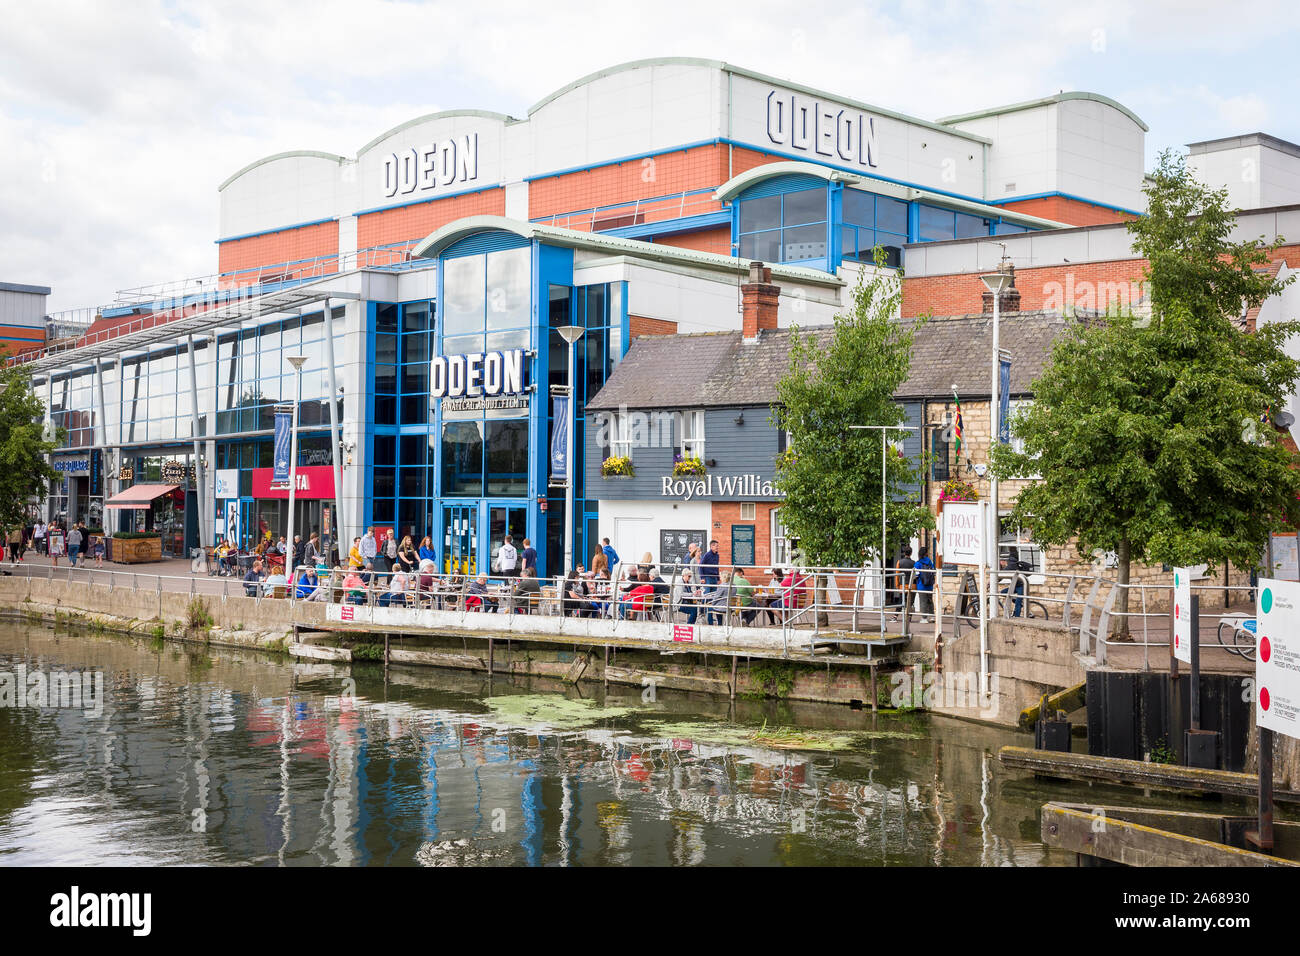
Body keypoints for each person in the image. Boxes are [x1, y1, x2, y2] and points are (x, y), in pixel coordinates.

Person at [914, 547, 936, 622]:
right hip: (929, 585)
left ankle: (924, 618)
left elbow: (916, 575)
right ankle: (932, 616)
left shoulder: (917, 563)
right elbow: (933, 572)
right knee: (930, 600)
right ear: (926, 553)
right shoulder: (930, 562)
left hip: (921, 585)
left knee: (923, 601)